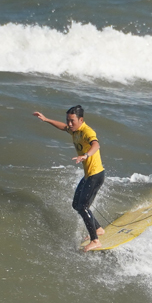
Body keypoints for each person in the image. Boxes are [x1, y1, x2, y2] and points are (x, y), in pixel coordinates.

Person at [33, 105, 105, 250]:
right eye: (68, 120)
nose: (69, 124)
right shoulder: (74, 131)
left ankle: (95, 240)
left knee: (83, 207)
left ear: (81, 119)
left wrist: (85, 155)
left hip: (95, 175)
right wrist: (46, 119)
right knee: (76, 205)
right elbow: (63, 127)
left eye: (72, 121)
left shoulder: (87, 131)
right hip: (88, 175)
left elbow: (96, 145)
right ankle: (98, 229)